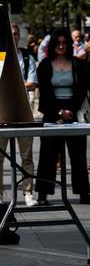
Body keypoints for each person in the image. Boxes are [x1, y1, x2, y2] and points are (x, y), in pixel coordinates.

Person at [36, 27, 90, 205]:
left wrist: (70, 111)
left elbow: (82, 90)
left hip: (75, 112)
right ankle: (43, 194)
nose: (61, 46)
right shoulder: (45, 65)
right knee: (48, 155)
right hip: (52, 113)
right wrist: (59, 112)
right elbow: (44, 96)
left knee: (78, 155)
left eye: (64, 43)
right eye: (58, 43)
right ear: (52, 44)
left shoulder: (79, 64)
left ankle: (84, 192)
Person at [0, 23, 37, 206]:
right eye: (10, 34)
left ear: (19, 36)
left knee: (27, 156)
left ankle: (28, 193)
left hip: (24, 111)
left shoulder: (26, 56)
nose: (13, 37)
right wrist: (19, 84)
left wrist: (9, 84)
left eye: (15, 34)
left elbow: (33, 83)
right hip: (0, 111)